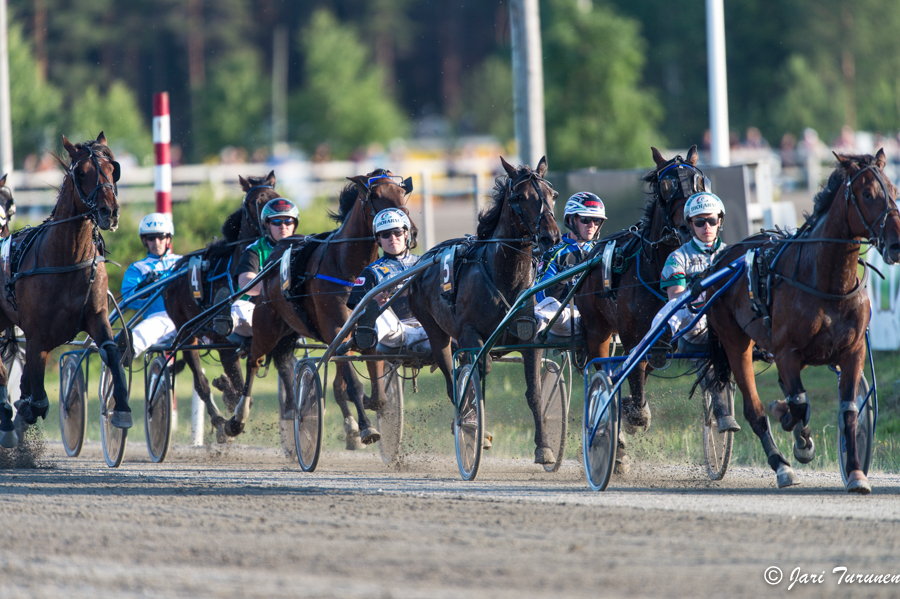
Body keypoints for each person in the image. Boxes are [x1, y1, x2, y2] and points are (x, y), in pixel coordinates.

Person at [655, 191, 740, 432]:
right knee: (685, 311)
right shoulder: (677, 258)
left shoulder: (732, 254)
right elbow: (677, 300)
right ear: (690, 225)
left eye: (711, 221)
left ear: (719, 222)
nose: (707, 227)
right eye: (700, 222)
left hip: (727, 321)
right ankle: (659, 340)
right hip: (694, 322)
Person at [346, 207, 429, 354]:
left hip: (431, 329)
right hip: (396, 331)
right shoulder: (371, 272)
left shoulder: (425, 263)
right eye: (386, 234)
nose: (392, 238)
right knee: (374, 311)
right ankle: (366, 334)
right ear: (378, 239)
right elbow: (354, 309)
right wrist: (371, 304)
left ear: (406, 234)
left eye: (397, 233)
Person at [534, 192, 606, 337]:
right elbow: (542, 296)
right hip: (566, 317)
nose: (592, 225)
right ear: (571, 220)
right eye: (586, 219)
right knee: (547, 307)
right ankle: (531, 328)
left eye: (596, 221)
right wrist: (562, 278)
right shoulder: (554, 253)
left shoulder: (603, 252)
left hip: (600, 317)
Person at [229, 198, 298, 346]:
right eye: (277, 222)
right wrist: (280, 288)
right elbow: (245, 282)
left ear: (294, 225)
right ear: (267, 224)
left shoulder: (303, 247)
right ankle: (226, 324)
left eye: (288, 222)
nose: (283, 227)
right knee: (236, 308)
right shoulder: (255, 250)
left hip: (294, 311)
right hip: (259, 311)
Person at [120, 213, 182, 357]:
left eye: (161, 237)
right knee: (136, 339)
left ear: (168, 239)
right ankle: (120, 359)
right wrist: (145, 287)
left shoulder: (182, 261)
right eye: (151, 238)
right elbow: (130, 302)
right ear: (144, 240)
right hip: (158, 318)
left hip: (188, 316)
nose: (157, 242)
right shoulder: (137, 268)